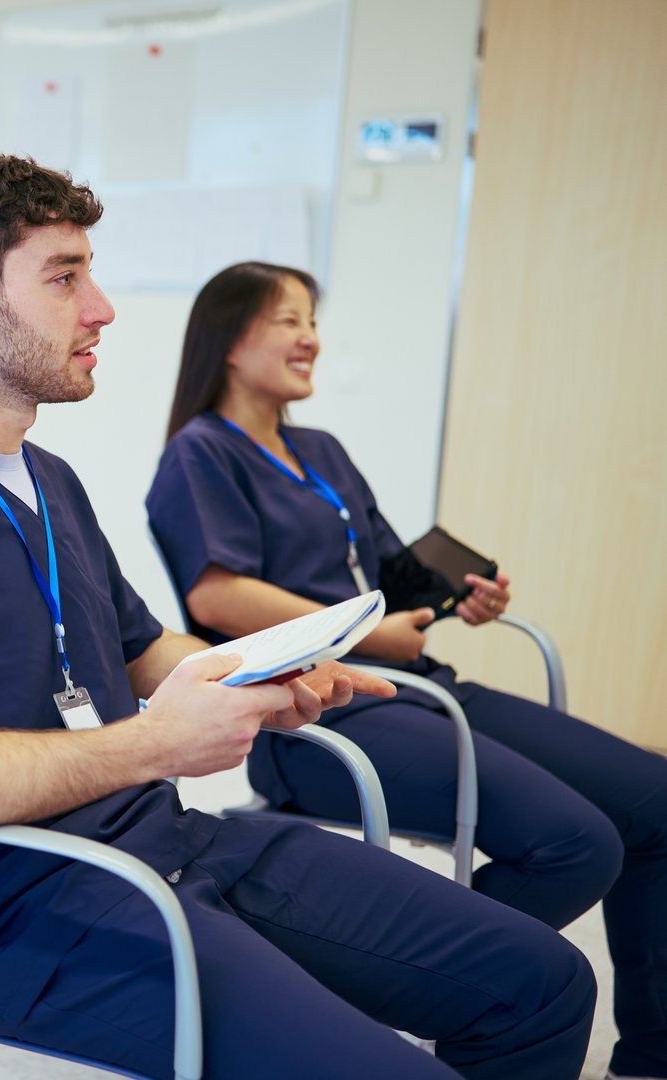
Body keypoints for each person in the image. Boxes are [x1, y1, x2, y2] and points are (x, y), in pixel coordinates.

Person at [0, 155, 599, 1078]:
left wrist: (274, 672)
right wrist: (152, 747)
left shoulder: (50, 483)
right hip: (24, 915)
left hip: (172, 841)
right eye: (64, 276)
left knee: (546, 985)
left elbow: (145, 650)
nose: (103, 307)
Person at [146, 260, 667, 1080]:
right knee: (577, 846)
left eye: (312, 317)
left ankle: (652, 1057)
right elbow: (216, 595)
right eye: (289, 319)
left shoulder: (320, 449)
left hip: (421, 685)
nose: (310, 336)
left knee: (653, 801)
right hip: (313, 716)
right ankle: (405, 994)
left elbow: (388, 569)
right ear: (230, 338)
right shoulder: (199, 455)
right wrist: (362, 635)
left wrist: (457, 598)